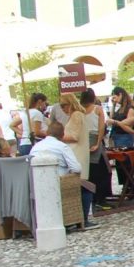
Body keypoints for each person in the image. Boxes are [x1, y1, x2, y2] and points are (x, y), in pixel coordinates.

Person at [57, 93, 94, 224]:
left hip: (76, 153)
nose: (62, 109)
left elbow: (74, 136)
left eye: (63, 106)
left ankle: (83, 218)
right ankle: (81, 217)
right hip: (76, 153)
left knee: (80, 184)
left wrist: (55, 136)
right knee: (80, 185)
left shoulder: (76, 115)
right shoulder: (77, 115)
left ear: (70, 103)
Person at [81, 89, 111, 211]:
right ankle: (100, 198)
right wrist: (98, 143)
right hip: (95, 138)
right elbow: (101, 128)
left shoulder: (80, 110)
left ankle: (91, 198)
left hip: (84, 140)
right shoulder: (97, 109)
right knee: (103, 171)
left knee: (89, 171)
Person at [106, 87, 134, 201]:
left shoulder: (130, 108)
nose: (114, 98)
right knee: (119, 164)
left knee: (127, 162)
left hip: (125, 136)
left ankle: (131, 186)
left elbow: (128, 124)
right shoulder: (119, 108)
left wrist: (115, 122)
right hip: (116, 136)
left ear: (120, 95)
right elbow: (111, 119)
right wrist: (113, 106)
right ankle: (125, 185)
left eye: (115, 96)